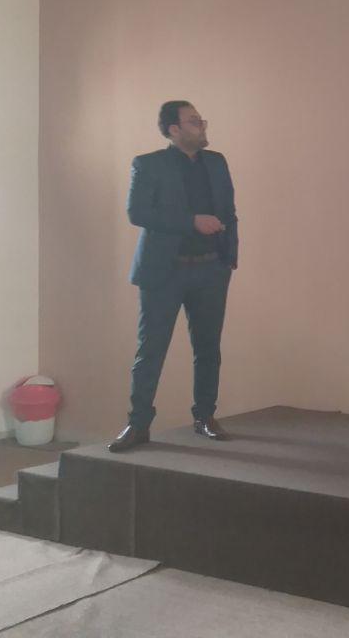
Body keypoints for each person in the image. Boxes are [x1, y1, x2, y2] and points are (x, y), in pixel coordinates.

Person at [108, 101, 239, 452]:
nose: (202, 126)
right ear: (174, 130)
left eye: (201, 120)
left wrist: (229, 259)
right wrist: (191, 221)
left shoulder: (217, 162)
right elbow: (138, 212)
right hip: (164, 271)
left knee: (208, 347)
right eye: (194, 121)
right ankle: (138, 424)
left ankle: (205, 417)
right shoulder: (148, 164)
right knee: (151, 349)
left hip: (211, 268)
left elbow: (229, 211)